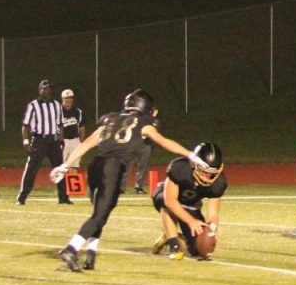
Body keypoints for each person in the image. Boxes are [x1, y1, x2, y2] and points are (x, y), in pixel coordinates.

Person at [50, 89, 209, 272]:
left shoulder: (110, 120)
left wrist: (65, 165)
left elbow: (86, 144)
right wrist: (190, 154)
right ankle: (71, 249)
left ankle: (91, 254)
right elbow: (164, 142)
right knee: (100, 214)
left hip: (95, 166)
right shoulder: (144, 123)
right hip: (113, 168)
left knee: (101, 212)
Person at [151, 143, 227, 260]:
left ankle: (173, 237)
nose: (208, 176)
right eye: (204, 171)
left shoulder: (219, 183)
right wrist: (191, 221)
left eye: (212, 173)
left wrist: (211, 229)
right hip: (167, 198)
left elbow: (213, 213)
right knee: (166, 205)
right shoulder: (180, 168)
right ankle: (174, 245)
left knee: (198, 250)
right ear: (194, 164)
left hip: (191, 206)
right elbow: (170, 200)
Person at [16, 79, 72, 205]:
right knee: (31, 169)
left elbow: (60, 124)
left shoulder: (56, 105)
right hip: (39, 140)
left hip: (53, 140)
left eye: (49, 89)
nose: (47, 91)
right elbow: (25, 126)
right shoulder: (33, 105)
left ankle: (63, 197)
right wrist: (26, 142)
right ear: (40, 90)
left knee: (60, 169)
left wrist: (61, 139)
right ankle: (22, 197)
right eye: (45, 88)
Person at [59, 89, 87, 168]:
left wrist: (81, 143)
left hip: (75, 141)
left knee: (74, 165)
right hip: (62, 141)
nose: (68, 100)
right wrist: (59, 142)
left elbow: (82, 128)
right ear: (62, 99)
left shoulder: (78, 112)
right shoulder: (58, 112)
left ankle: (73, 179)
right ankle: (61, 181)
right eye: (66, 98)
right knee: (61, 165)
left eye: (70, 97)